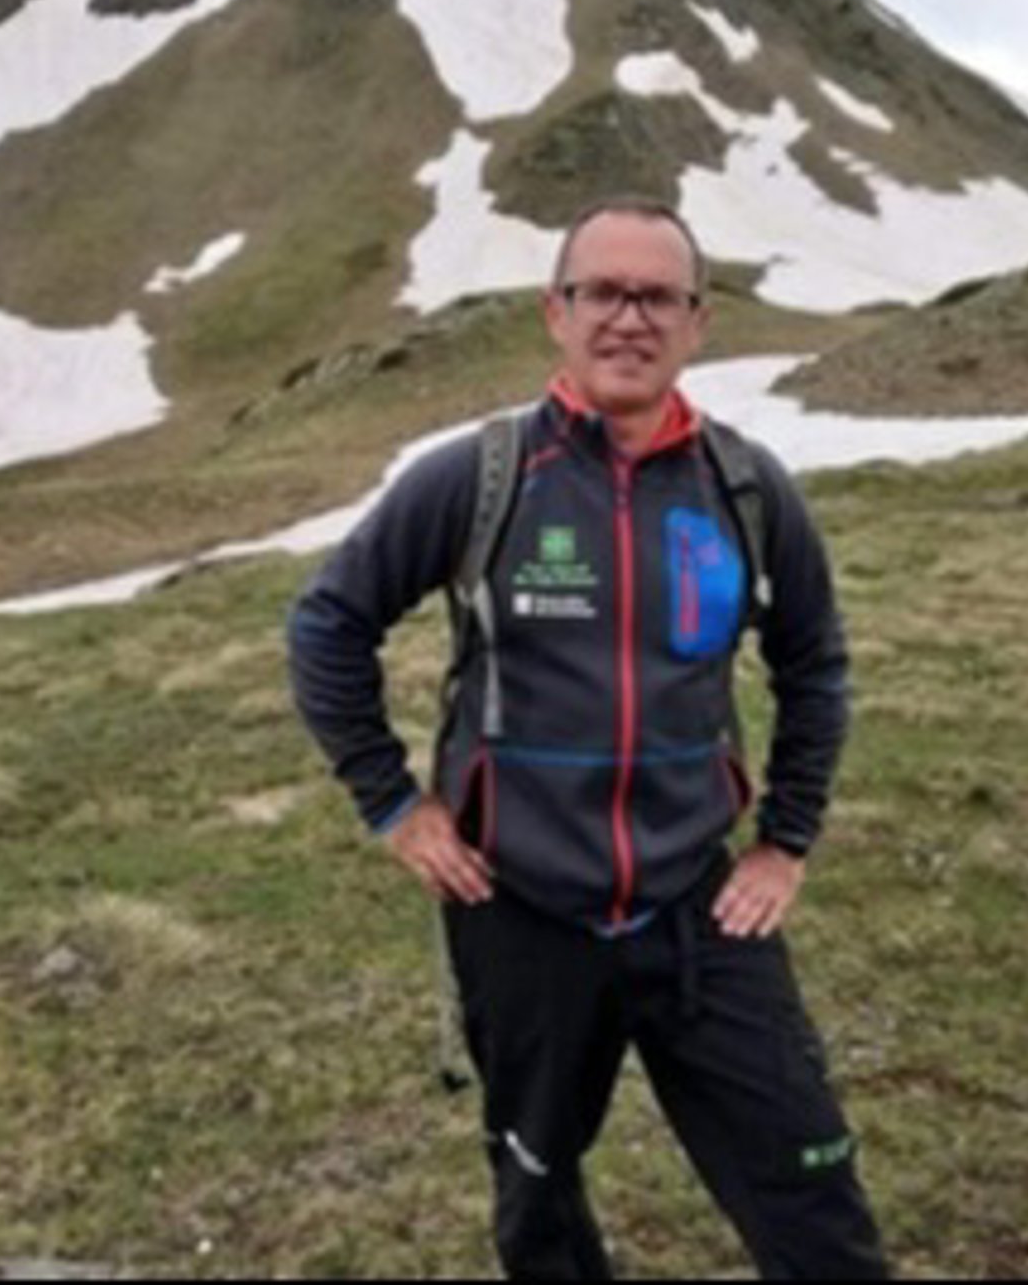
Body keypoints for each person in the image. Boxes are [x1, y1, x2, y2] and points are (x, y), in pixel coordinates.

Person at [288, 196, 889, 1278]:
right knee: (540, 1198)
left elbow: (814, 664)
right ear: (555, 313)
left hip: (698, 908)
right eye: (602, 292)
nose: (628, 318)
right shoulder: (477, 479)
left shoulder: (746, 490)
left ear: (698, 322)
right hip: (518, 913)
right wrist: (394, 805)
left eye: (658, 296)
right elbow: (328, 625)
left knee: (815, 1200)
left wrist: (785, 841)